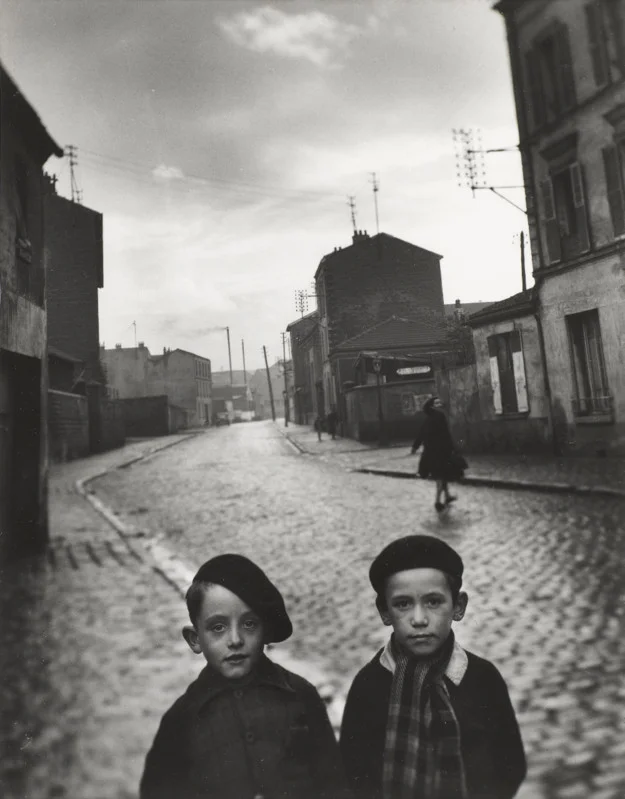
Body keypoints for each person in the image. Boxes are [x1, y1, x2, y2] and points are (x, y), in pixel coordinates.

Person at [140, 554, 348, 799]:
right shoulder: (182, 719)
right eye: (218, 627)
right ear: (195, 639)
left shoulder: (300, 694)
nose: (235, 640)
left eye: (249, 624)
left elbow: (334, 783)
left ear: (266, 630)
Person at [340, 535, 526, 799]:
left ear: (458, 606)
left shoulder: (483, 678)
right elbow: (352, 774)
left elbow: (510, 765)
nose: (419, 619)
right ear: (384, 611)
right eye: (403, 604)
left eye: (433, 602)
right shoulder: (369, 685)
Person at [411, 396, 467, 512]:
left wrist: (415, 446)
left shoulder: (429, 418)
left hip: (431, 453)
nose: (439, 405)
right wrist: (454, 448)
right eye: (436, 403)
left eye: (439, 403)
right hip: (440, 453)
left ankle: (447, 496)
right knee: (441, 477)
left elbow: (421, 434)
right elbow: (446, 434)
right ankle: (437, 501)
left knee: (442, 475)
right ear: (432, 406)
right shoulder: (440, 416)